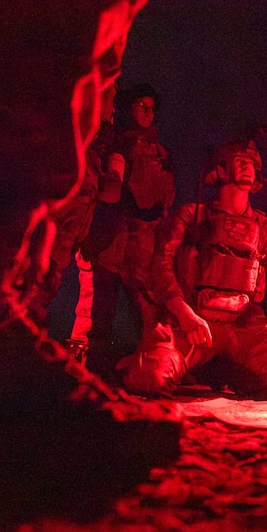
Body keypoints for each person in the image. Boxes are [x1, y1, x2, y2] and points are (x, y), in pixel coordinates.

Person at [122, 138, 267, 399]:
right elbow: (161, 264)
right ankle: (195, 367)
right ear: (220, 169)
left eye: (251, 164)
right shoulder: (191, 216)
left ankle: (227, 372)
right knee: (149, 379)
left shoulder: (266, 228)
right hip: (191, 323)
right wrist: (184, 314)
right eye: (239, 162)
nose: (247, 168)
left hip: (243, 327)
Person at [72, 83, 176, 374]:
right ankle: (84, 369)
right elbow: (106, 191)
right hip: (109, 236)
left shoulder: (161, 153)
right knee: (97, 306)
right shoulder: (113, 143)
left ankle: (151, 367)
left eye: (152, 108)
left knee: (146, 307)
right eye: (141, 106)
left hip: (142, 239)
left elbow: (163, 198)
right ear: (127, 108)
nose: (148, 113)